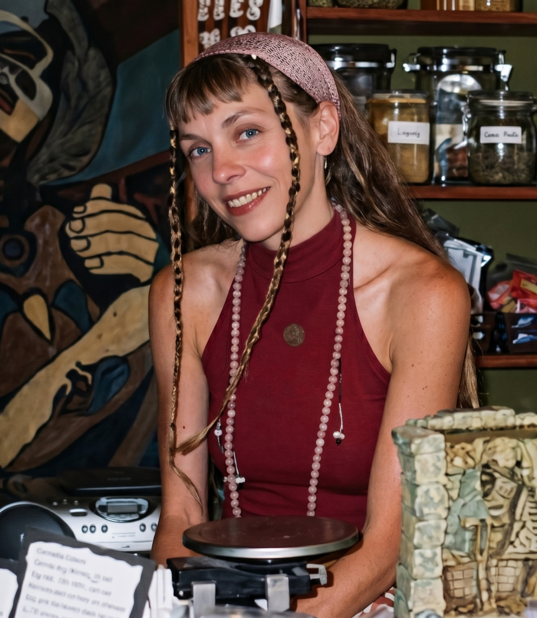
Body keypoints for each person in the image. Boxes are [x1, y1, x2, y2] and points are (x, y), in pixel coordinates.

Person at [148, 33, 477, 617]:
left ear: (322, 129)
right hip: (231, 598)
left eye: (247, 132)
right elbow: (181, 515)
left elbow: (389, 542)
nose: (223, 170)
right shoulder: (185, 291)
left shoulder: (424, 294)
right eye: (198, 149)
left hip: (374, 595)